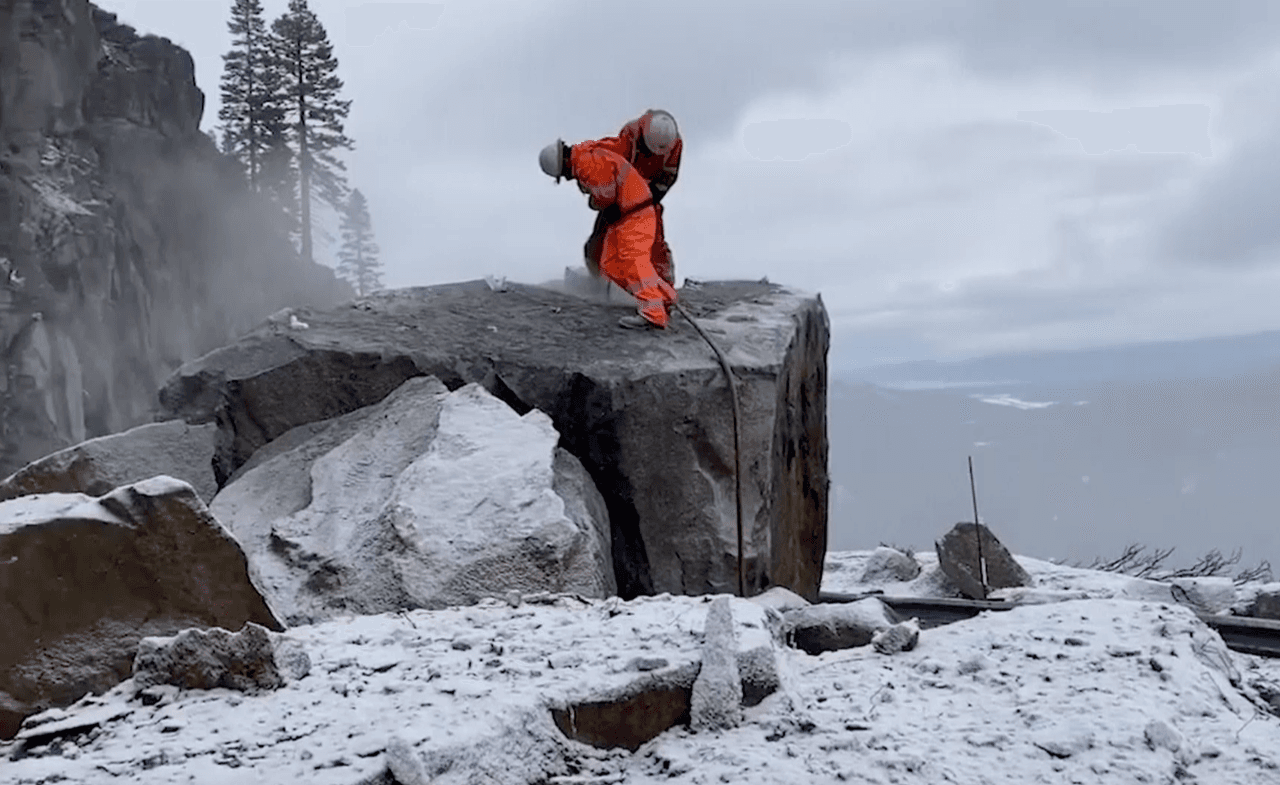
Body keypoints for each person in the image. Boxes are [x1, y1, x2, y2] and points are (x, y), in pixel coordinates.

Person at [539, 137, 678, 329]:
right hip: (625, 216)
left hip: (636, 213)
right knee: (610, 264)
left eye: (562, 174)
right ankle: (661, 298)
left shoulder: (585, 163)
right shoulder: (585, 153)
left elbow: (606, 196)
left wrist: (593, 201)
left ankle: (653, 314)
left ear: (562, 165)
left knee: (633, 261)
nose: (567, 177)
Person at [581, 109, 682, 288]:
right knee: (607, 227)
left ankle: (664, 281)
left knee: (654, 232)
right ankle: (598, 272)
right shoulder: (629, 136)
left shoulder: (674, 144)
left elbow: (668, 178)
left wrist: (649, 199)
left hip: (649, 190)